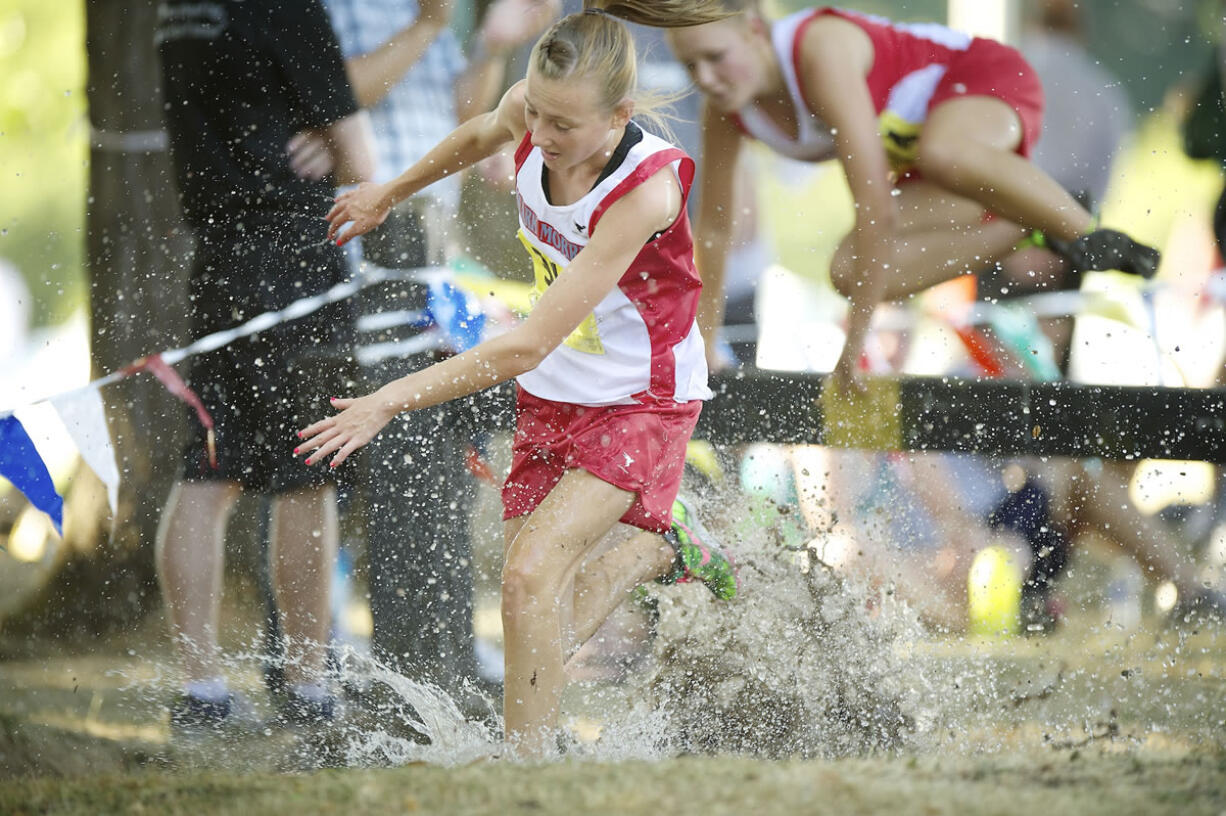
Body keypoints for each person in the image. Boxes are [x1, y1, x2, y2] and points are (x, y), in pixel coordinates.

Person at [296, 6, 737, 756]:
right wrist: (388, 191)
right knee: (531, 593)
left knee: (533, 575)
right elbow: (477, 137)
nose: (542, 134)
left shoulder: (644, 191)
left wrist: (386, 402)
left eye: (563, 124)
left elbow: (525, 344)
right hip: (559, 391)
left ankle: (523, 769)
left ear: (618, 117)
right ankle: (658, 548)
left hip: (643, 399)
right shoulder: (532, 111)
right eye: (534, 111)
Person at [647, 1, 1161, 388]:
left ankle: (1081, 227)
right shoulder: (726, 106)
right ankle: (1025, 227)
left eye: (715, 58)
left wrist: (854, 350)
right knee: (847, 272)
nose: (705, 79)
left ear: (756, 31)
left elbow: (873, 204)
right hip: (933, 167)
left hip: (977, 89)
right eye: (691, 67)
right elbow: (714, 229)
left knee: (942, 149)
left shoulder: (818, 53)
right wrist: (702, 345)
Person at [286, 0, 556, 706]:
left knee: (438, 448)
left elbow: (479, 137)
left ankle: (446, 646)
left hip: (432, 239)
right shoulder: (346, 10)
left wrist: (491, 45)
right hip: (358, 233)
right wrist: (432, 26)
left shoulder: (427, 13)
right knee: (355, 452)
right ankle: (355, 653)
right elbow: (336, 94)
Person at [154, 0, 375, 729]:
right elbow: (362, 161)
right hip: (295, 258)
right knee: (306, 477)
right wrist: (325, 137)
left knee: (206, 471)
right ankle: (310, 690)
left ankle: (201, 692)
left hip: (215, 259)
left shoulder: (176, 10)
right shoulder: (289, 5)